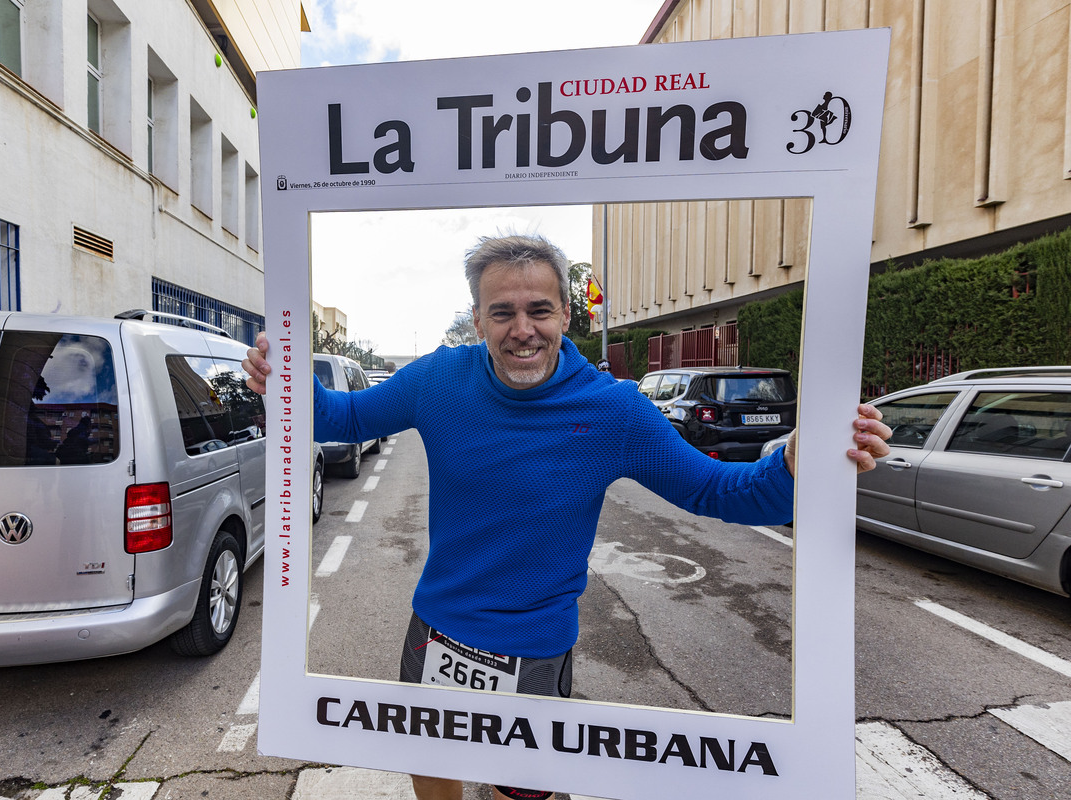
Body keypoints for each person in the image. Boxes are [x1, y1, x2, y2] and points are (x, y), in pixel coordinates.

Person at [244, 234, 891, 800]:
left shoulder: (615, 411)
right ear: (478, 319)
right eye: (502, 312)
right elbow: (343, 419)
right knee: (430, 763)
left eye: (539, 310)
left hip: (535, 651)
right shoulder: (438, 379)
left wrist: (795, 465)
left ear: (565, 315)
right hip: (437, 632)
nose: (521, 328)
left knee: (522, 791)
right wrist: (285, 379)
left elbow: (723, 493)